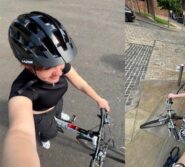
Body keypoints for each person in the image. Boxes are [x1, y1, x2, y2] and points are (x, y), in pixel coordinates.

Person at [3, 11, 110, 167]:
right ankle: (45, 138)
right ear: (27, 64)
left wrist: (98, 99)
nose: (60, 72)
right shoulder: (22, 91)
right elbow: (20, 133)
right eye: (48, 67)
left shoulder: (59, 62)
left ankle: (58, 115)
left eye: (60, 63)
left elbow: (79, 82)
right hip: (40, 115)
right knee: (51, 132)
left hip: (56, 101)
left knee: (59, 112)